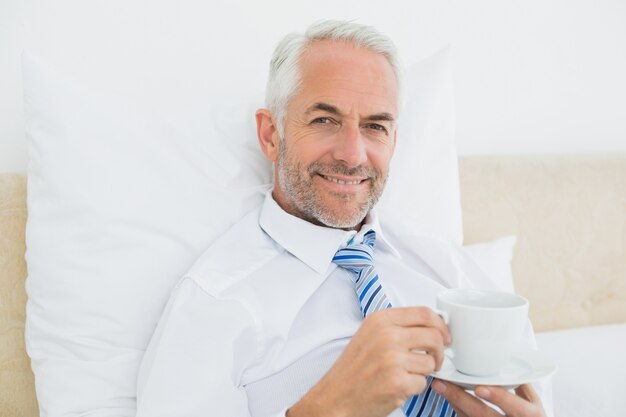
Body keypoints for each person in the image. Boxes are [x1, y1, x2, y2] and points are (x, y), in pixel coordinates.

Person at [135, 20, 551, 417]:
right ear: (270, 135)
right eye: (324, 120)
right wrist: (326, 410)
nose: (352, 154)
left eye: (375, 126)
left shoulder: (456, 275)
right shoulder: (214, 304)